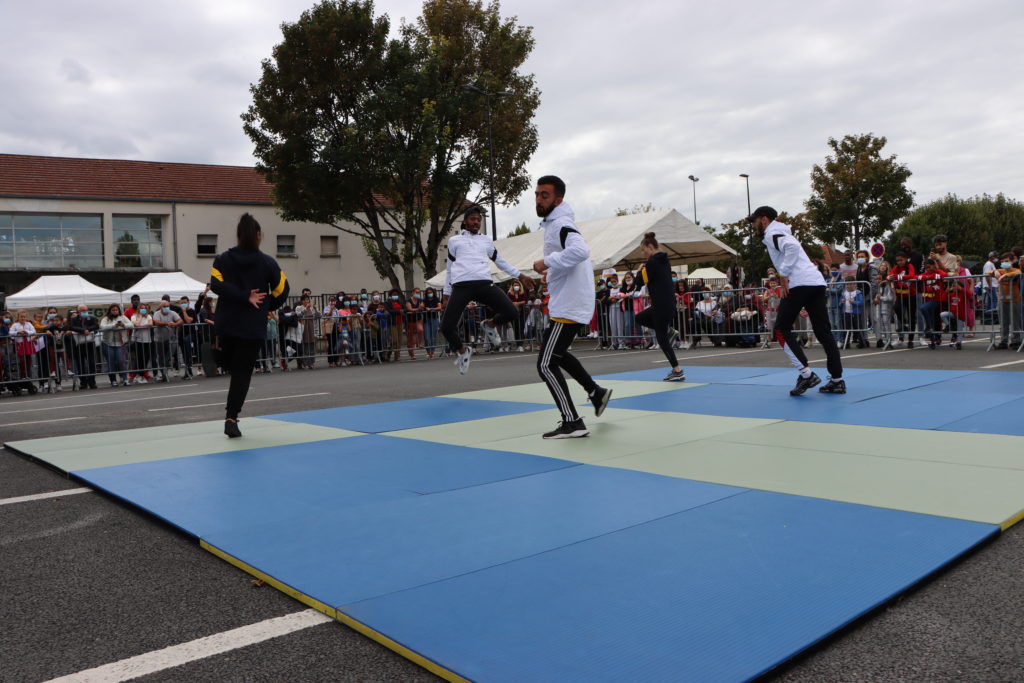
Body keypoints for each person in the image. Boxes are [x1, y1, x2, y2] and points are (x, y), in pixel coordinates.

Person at [530, 175, 611, 438]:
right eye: (537, 194)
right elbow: (571, 261)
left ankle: (572, 421)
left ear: (558, 199)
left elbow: (580, 251)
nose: (539, 199)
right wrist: (552, 272)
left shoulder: (561, 224)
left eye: (545, 195)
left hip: (569, 304)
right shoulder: (556, 224)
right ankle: (596, 393)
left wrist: (547, 261)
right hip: (570, 301)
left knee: (545, 364)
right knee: (559, 355)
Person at [748, 206, 844, 395]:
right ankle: (837, 380)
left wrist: (783, 273)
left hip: (799, 283)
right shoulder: (780, 230)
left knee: (781, 329)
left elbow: (790, 248)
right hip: (815, 282)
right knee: (823, 331)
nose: (753, 226)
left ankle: (806, 374)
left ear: (764, 219)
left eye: (754, 221)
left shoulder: (772, 232)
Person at [210, 213, 290, 437]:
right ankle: (231, 418)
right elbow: (283, 290)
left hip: (227, 324)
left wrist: (241, 295)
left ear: (238, 235)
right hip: (251, 328)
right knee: (242, 374)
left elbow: (215, 284)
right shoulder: (267, 262)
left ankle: (218, 356)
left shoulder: (223, 259)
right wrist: (258, 303)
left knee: (230, 365)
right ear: (258, 235)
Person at [440, 206, 534, 375]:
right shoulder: (455, 241)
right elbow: (450, 268)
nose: (476, 222)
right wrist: (446, 293)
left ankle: (489, 325)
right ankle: (463, 351)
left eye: (478, 220)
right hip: (461, 286)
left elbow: (501, 261)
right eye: (473, 219)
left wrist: (521, 275)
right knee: (446, 326)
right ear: (465, 221)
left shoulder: (486, 241)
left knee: (512, 311)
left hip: (484, 284)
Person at [634, 233, 684, 380]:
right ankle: (670, 331)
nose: (643, 254)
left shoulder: (651, 263)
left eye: (644, 250)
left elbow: (639, 283)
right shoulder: (665, 261)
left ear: (650, 247)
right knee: (640, 317)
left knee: (662, 340)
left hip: (661, 305)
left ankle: (677, 370)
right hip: (666, 304)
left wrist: (639, 270)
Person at [99, 303, 133, 386]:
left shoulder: (123, 317)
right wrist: (114, 325)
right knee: (111, 362)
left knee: (121, 361)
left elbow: (131, 325)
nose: (115, 311)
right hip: (108, 343)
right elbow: (102, 327)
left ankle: (125, 379)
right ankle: (113, 380)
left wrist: (123, 325)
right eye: (113, 310)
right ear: (110, 311)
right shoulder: (106, 318)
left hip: (120, 343)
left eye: (116, 310)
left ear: (119, 310)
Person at [993, 252, 1022, 349]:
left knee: (1015, 321)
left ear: (1012, 261)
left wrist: (1005, 275)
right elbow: (988, 273)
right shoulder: (1001, 270)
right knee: (1003, 321)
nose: (1004, 263)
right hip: (1002, 299)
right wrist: (995, 272)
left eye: (1006, 261)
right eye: (1002, 261)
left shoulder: (1016, 269)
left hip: (1014, 299)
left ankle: (1015, 341)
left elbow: (1018, 272)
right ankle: (1003, 340)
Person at [70, 304, 99, 389]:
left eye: (85, 310)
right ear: (78, 311)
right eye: (82, 310)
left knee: (91, 363)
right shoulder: (73, 319)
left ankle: (92, 382)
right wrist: (82, 331)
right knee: (80, 363)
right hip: (79, 344)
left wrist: (88, 330)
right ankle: (83, 382)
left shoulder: (92, 318)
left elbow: (96, 326)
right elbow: (72, 327)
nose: (84, 312)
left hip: (90, 343)